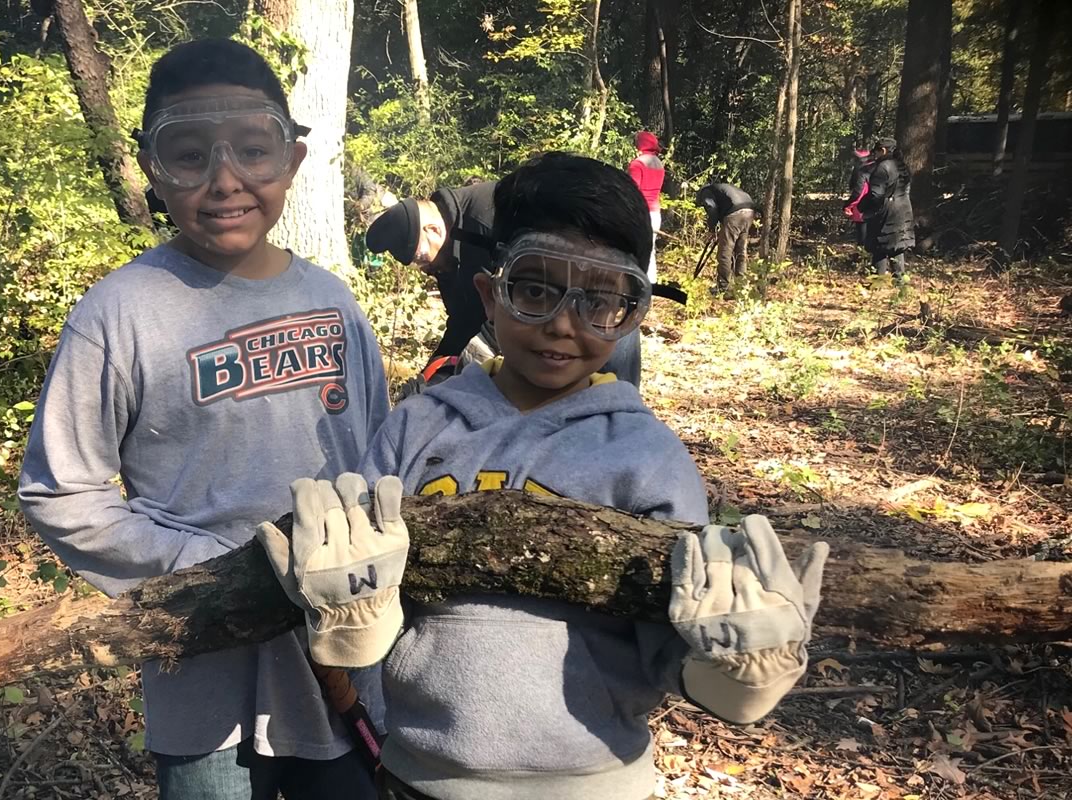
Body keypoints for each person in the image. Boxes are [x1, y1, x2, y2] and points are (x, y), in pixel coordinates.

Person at [258, 153, 829, 800]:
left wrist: (732, 672)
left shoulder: (646, 460)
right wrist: (351, 626)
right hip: (418, 779)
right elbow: (364, 617)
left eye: (600, 299)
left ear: (631, 314)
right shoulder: (416, 430)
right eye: (535, 289)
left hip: (594, 784)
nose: (562, 322)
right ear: (488, 294)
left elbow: (669, 651)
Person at [17, 38, 389, 800]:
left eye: (255, 150)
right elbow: (61, 491)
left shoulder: (332, 302)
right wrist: (208, 570)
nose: (226, 182)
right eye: (189, 154)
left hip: (343, 653)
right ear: (152, 167)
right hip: (203, 671)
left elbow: (382, 456)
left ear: (292, 158)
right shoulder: (119, 313)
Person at [364, 180, 644, 393]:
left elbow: (502, 309)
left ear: (434, 230)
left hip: (600, 313)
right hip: (546, 323)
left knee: (612, 404)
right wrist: (431, 377)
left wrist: (463, 365)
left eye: (423, 259)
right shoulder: (450, 242)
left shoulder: (483, 220)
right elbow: (462, 320)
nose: (428, 269)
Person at [857, 137, 914, 280]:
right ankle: (900, 285)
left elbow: (876, 195)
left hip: (886, 213)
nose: (874, 156)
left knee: (879, 246)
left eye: (876, 152)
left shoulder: (883, 167)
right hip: (904, 210)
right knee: (896, 247)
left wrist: (863, 206)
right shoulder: (902, 166)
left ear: (883, 151)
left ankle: (877, 283)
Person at [695, 181, 758, 292]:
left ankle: (723, 287)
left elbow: (712, 207)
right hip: (750, 210)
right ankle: (741, 285)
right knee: (740, 250)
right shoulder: (722, 189)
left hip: (735, 213)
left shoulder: (706, 192)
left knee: (725, 252)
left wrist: (711, 229)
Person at [628, 130, 666, 282]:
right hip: (655, 213)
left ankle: (636, 286)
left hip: (640, 213)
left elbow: (632, 191)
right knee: (650, 251)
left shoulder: (637, 164)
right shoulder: (659, 164)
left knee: (634, 249)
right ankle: (650, 285)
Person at [843, 147, 874, 249]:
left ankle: (862, 258)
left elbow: (858, 192)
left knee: (863, 236)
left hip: (862, 207)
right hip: (875, 205)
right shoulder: (878, 167)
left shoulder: (862, 171)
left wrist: (848, 205)